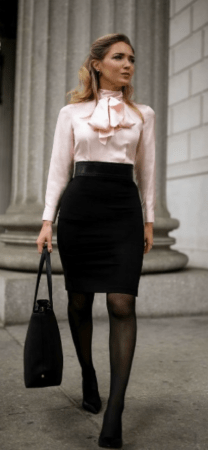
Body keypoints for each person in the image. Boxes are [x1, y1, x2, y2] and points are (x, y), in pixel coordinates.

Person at [36, 33, 155, 449]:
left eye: (132, 59)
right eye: (119, 57)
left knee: (121, 301)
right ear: (97, 64)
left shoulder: (143, 114)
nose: (128, 65)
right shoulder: (72, 112)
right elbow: (57, 169)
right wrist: (48, 220)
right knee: (80, 300)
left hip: (123, 209)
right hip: (81, 208)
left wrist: (150, 218)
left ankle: (116, 411)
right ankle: (88, 373)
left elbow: (147, 169)